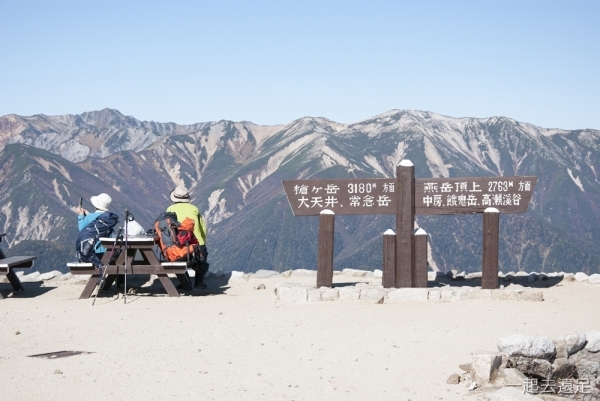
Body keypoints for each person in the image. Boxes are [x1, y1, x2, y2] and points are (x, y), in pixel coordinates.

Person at [166, 185, 209, 289]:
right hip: (195, 244)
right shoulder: (194, 209)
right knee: (202, 259)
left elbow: (168, 228)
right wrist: (202, 243)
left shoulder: (170, 209)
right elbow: (202, 227)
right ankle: (199, 282)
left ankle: (184, 281)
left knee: (176, 258)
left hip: (177, 246)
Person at [76, 193, 113, 261]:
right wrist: (89, 214)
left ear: (95, 205)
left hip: (93, 253)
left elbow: (82, 229)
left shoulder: (90, 217)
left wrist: (81, 215)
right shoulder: (109, 218)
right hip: (107, 253)